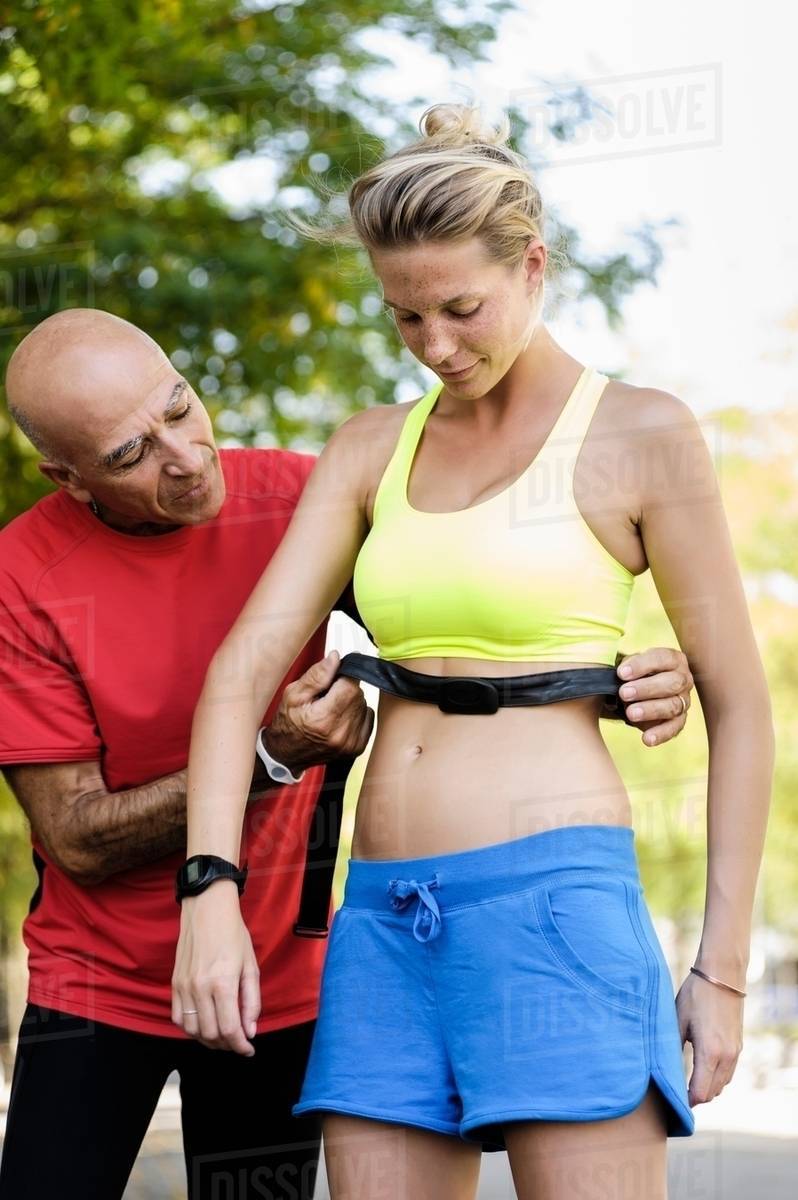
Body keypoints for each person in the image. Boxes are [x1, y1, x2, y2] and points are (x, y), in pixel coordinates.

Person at [173, 102, 774, 1200]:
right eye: (406, 319)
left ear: (533, 266)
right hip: (381, 922)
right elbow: (235, 681)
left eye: (460, 309)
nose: (436, 346)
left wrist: (721, 972)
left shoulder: (640, 434)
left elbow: (741, 707)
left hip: (555, 907)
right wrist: (208, 894)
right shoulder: (366, 447)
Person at [0, 308, 693, 1199]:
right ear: (68, 478)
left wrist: (619, 683)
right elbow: (77, 838)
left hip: (284, 984)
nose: (184, 454)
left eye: (179, 407)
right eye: (131, 454)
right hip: (94, 987)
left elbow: (459, 648)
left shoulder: (306, 495)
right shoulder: (21, 575)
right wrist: (272, 755)